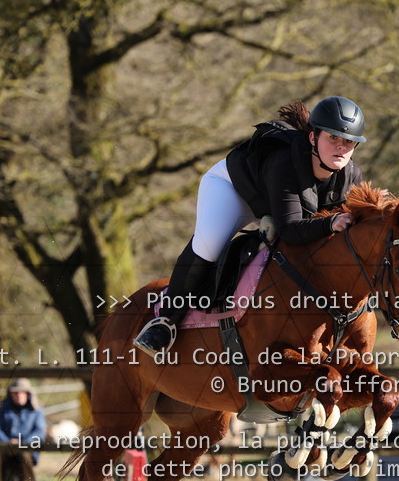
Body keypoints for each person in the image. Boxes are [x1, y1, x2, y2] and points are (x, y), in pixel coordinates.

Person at [133, 96, 367, 358]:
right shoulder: (285, 162)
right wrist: (331, 223)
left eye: (349, 141)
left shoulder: (351, 176)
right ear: (313, 137)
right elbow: (290, 230)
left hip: (277, 205)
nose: (341, 147)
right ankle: (165, 321)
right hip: (233, 189)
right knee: (210, 244)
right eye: (333, 138)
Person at [0, 378, 46, 481]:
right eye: (16, 393)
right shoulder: (3, 408)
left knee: (23, 453)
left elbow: (39, 432)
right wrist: (8, 443)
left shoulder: (37, 410)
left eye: (22, 392)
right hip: (5, 446)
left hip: (27, 448)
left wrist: (21, 444)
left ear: (28, 394)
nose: (19, 395)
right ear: (11, 394)